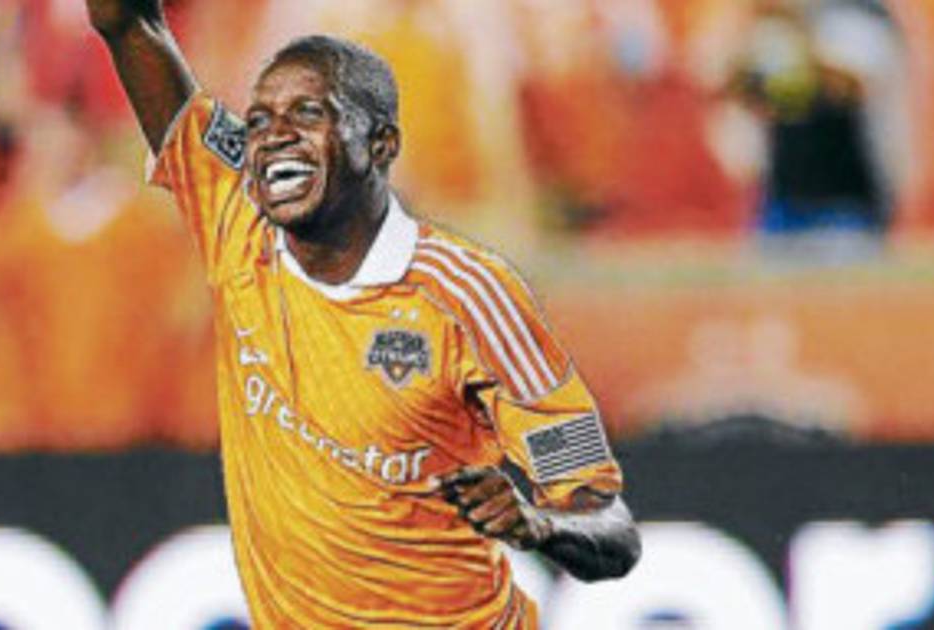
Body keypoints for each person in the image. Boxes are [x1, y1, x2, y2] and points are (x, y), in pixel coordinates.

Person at [86, 0, 640, 626]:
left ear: (381, 145)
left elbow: (611, 529)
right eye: (260, 119)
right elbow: (128, 25)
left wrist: (536, 522)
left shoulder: (472, 298)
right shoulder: (237, 219)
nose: (275, 136)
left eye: (308, 114)